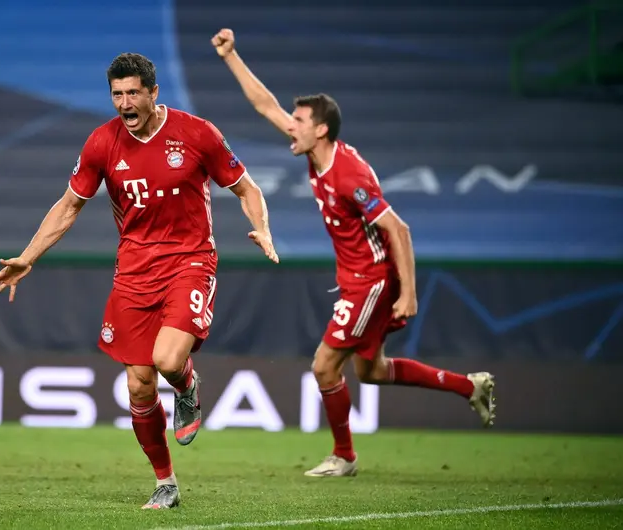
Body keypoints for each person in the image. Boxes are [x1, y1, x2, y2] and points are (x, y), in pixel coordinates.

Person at [0, 52, 279, 507]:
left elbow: (247, 188)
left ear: (153, 93)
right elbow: (68, 206)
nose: (124, 102)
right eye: (117, 94)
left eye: (133, 93)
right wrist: (28, 257)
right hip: (134, 272)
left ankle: (187, 386)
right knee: (138, 384)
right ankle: (166, 483)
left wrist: (261, 226)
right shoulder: (102, 143)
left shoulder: (198, 134)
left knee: (166, 359)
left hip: (189, 262)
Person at [211, 28, 495, 478]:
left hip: (371, 280)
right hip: (357, 277)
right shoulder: (317, 153)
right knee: (373, 372)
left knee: (324, 366)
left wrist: (410, 295)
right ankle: (469, 386)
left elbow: (398, 228)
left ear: (320, 129)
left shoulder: (348, 175)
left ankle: (344, 456)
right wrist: (231, 57)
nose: (291, 124)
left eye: (300, 121)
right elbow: (265, 104)